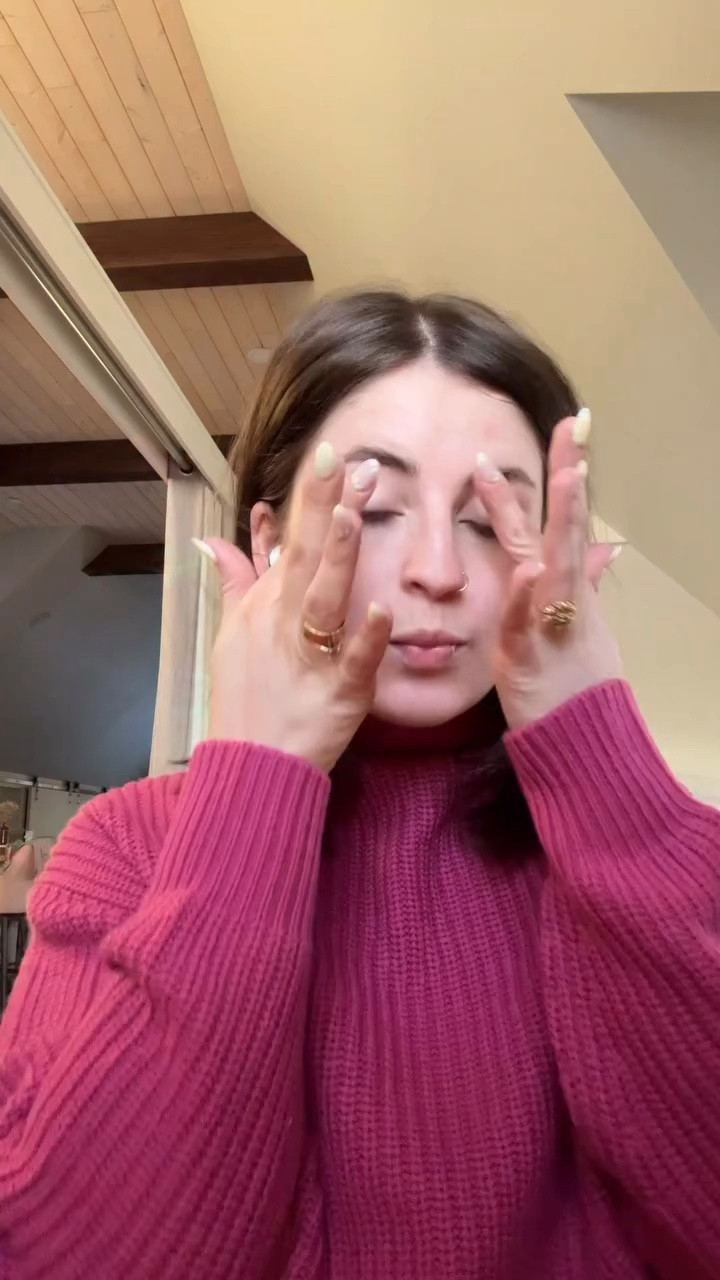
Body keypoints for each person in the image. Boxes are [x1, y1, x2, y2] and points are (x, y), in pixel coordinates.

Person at [0, 291, 718, 1280]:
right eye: (374, 511)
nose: (436, 570)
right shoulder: (128, 845)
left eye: (489, 519)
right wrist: (259, 782)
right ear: (268, 540)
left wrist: (600, 761)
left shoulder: (648, 849)